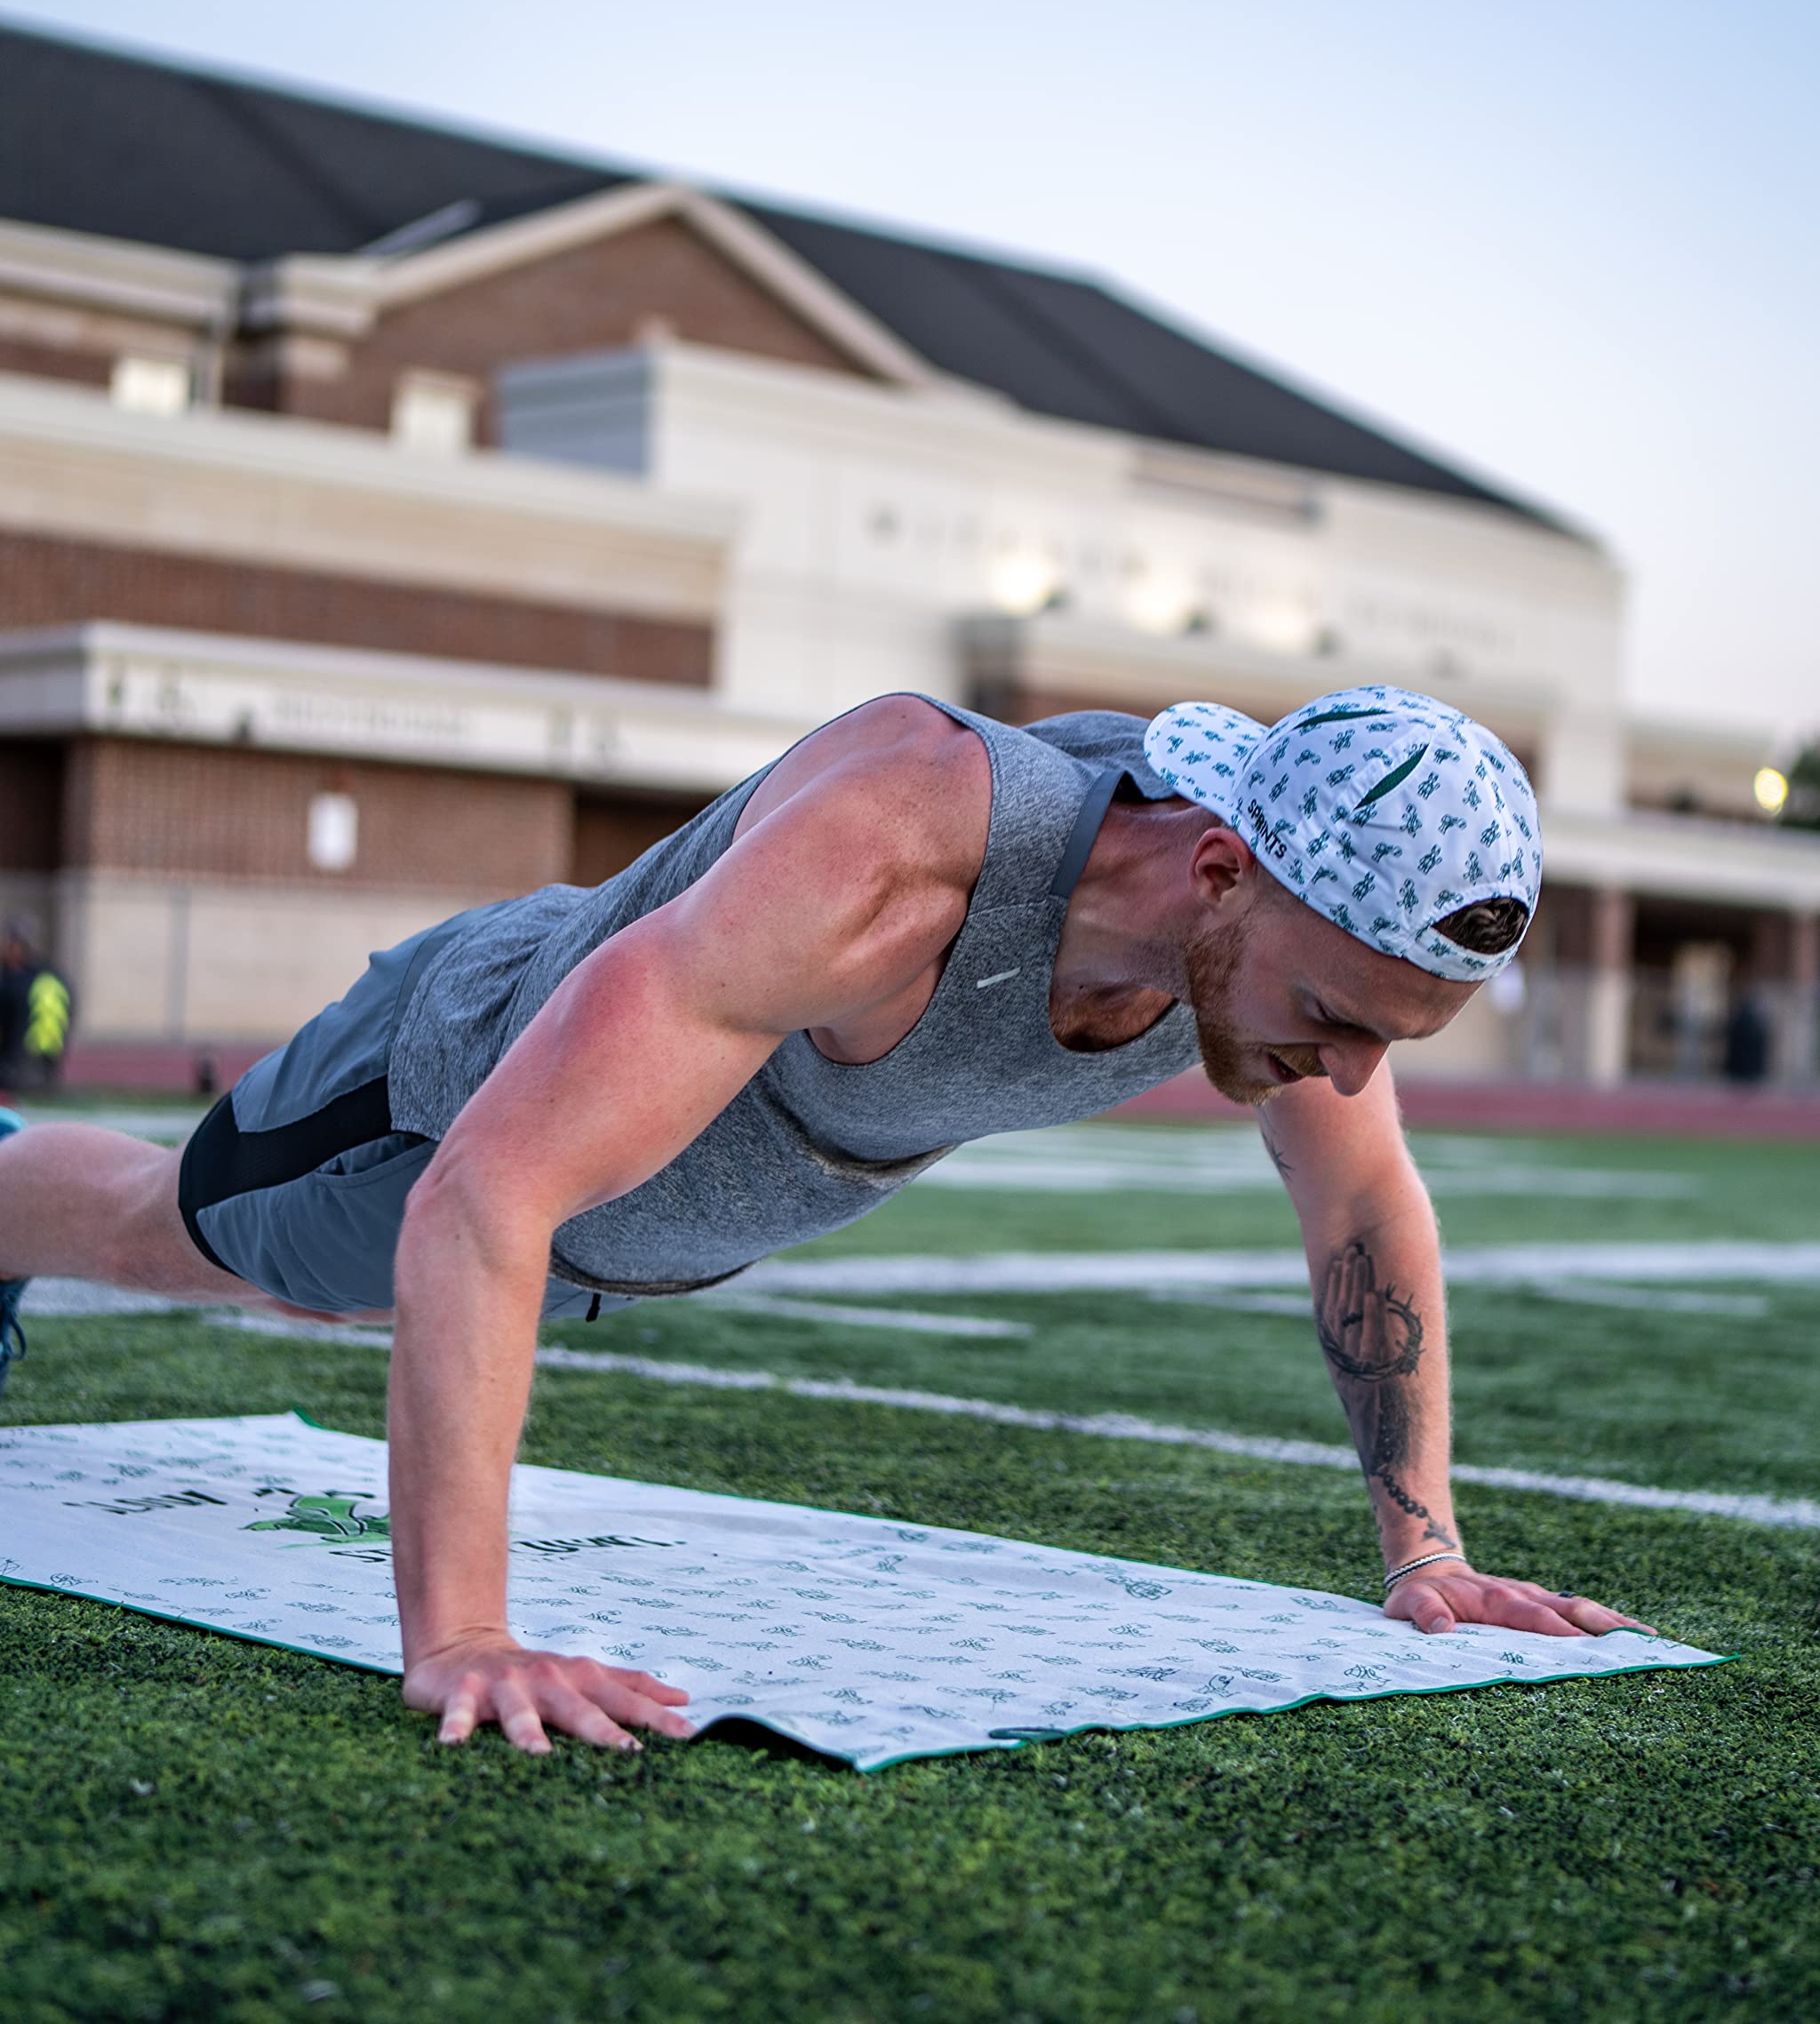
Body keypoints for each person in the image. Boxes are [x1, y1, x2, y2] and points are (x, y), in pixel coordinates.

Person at [0, 686, 1650, 1755]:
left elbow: (1361, 1198)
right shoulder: (901, 858)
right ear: (1220, 867)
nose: (1347, 1068)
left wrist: (1421, 1545)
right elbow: (487, 1189)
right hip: (437, 1107)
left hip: (634, 1226)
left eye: (1392, 1037)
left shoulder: (1273, 948)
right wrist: (467, 1634)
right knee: (179, 1239)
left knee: (353, 1306)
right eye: (1337, 1013)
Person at [0, 915, 74, 1095]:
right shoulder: (52, 980)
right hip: (42, 1076)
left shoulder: (16, 983)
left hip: (14, 1077)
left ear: (17, 946)